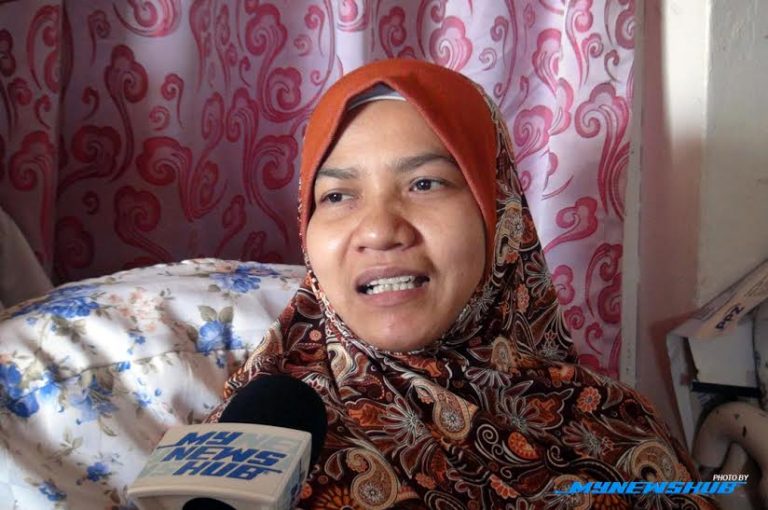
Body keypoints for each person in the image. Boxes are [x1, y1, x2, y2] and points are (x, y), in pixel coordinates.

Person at [207, 59, 717, 509]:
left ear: (498, 213)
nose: (380, 231)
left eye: (424, 183)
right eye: (338, 195)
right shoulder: (254, 444)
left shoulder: (616, 427)